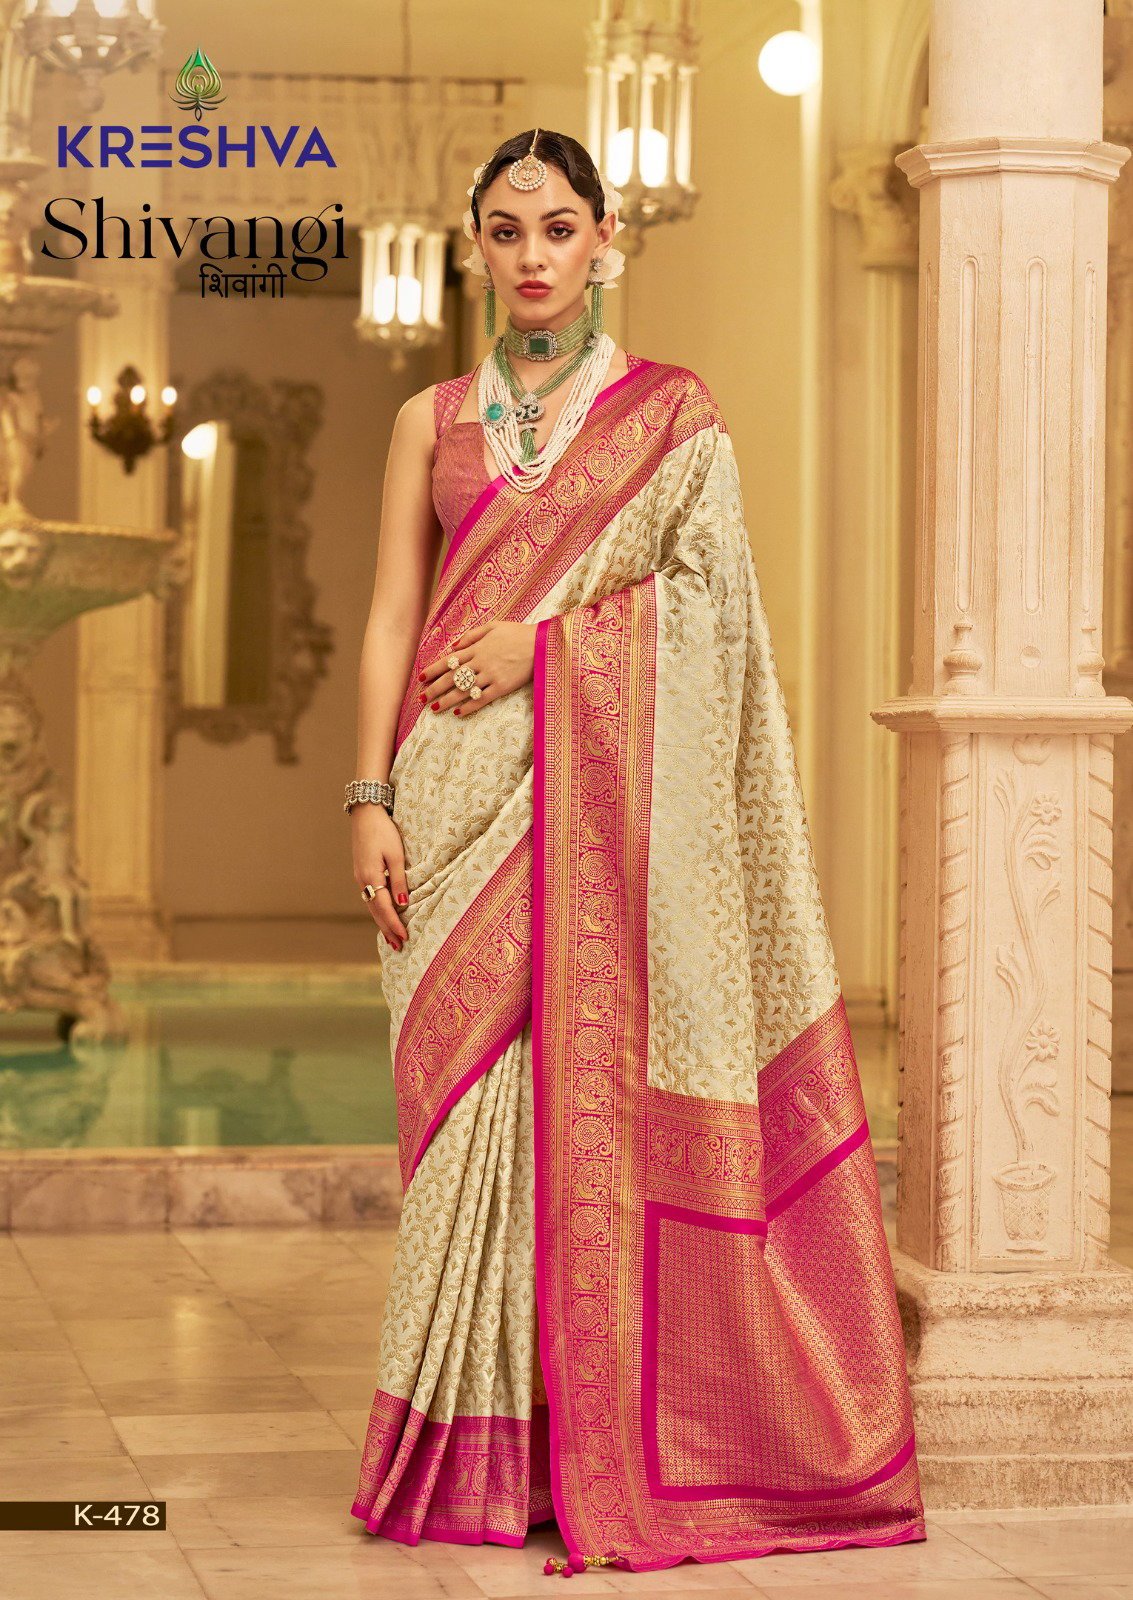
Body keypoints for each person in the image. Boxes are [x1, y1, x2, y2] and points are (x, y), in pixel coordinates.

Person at [346, 125, 925, 1577]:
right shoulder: (430, 418)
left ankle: (583, 1446)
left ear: (608, 240)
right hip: (448, 800)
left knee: (578, 1116)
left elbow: (713, 611)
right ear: (475, 248)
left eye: (559, 227)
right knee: (468, 1132)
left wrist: (540, 645)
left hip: (595, 799)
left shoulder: (671, 415)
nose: (533, 255)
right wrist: (367, 795)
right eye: (506, 230)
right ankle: (467, 1455)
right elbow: (389, 616)